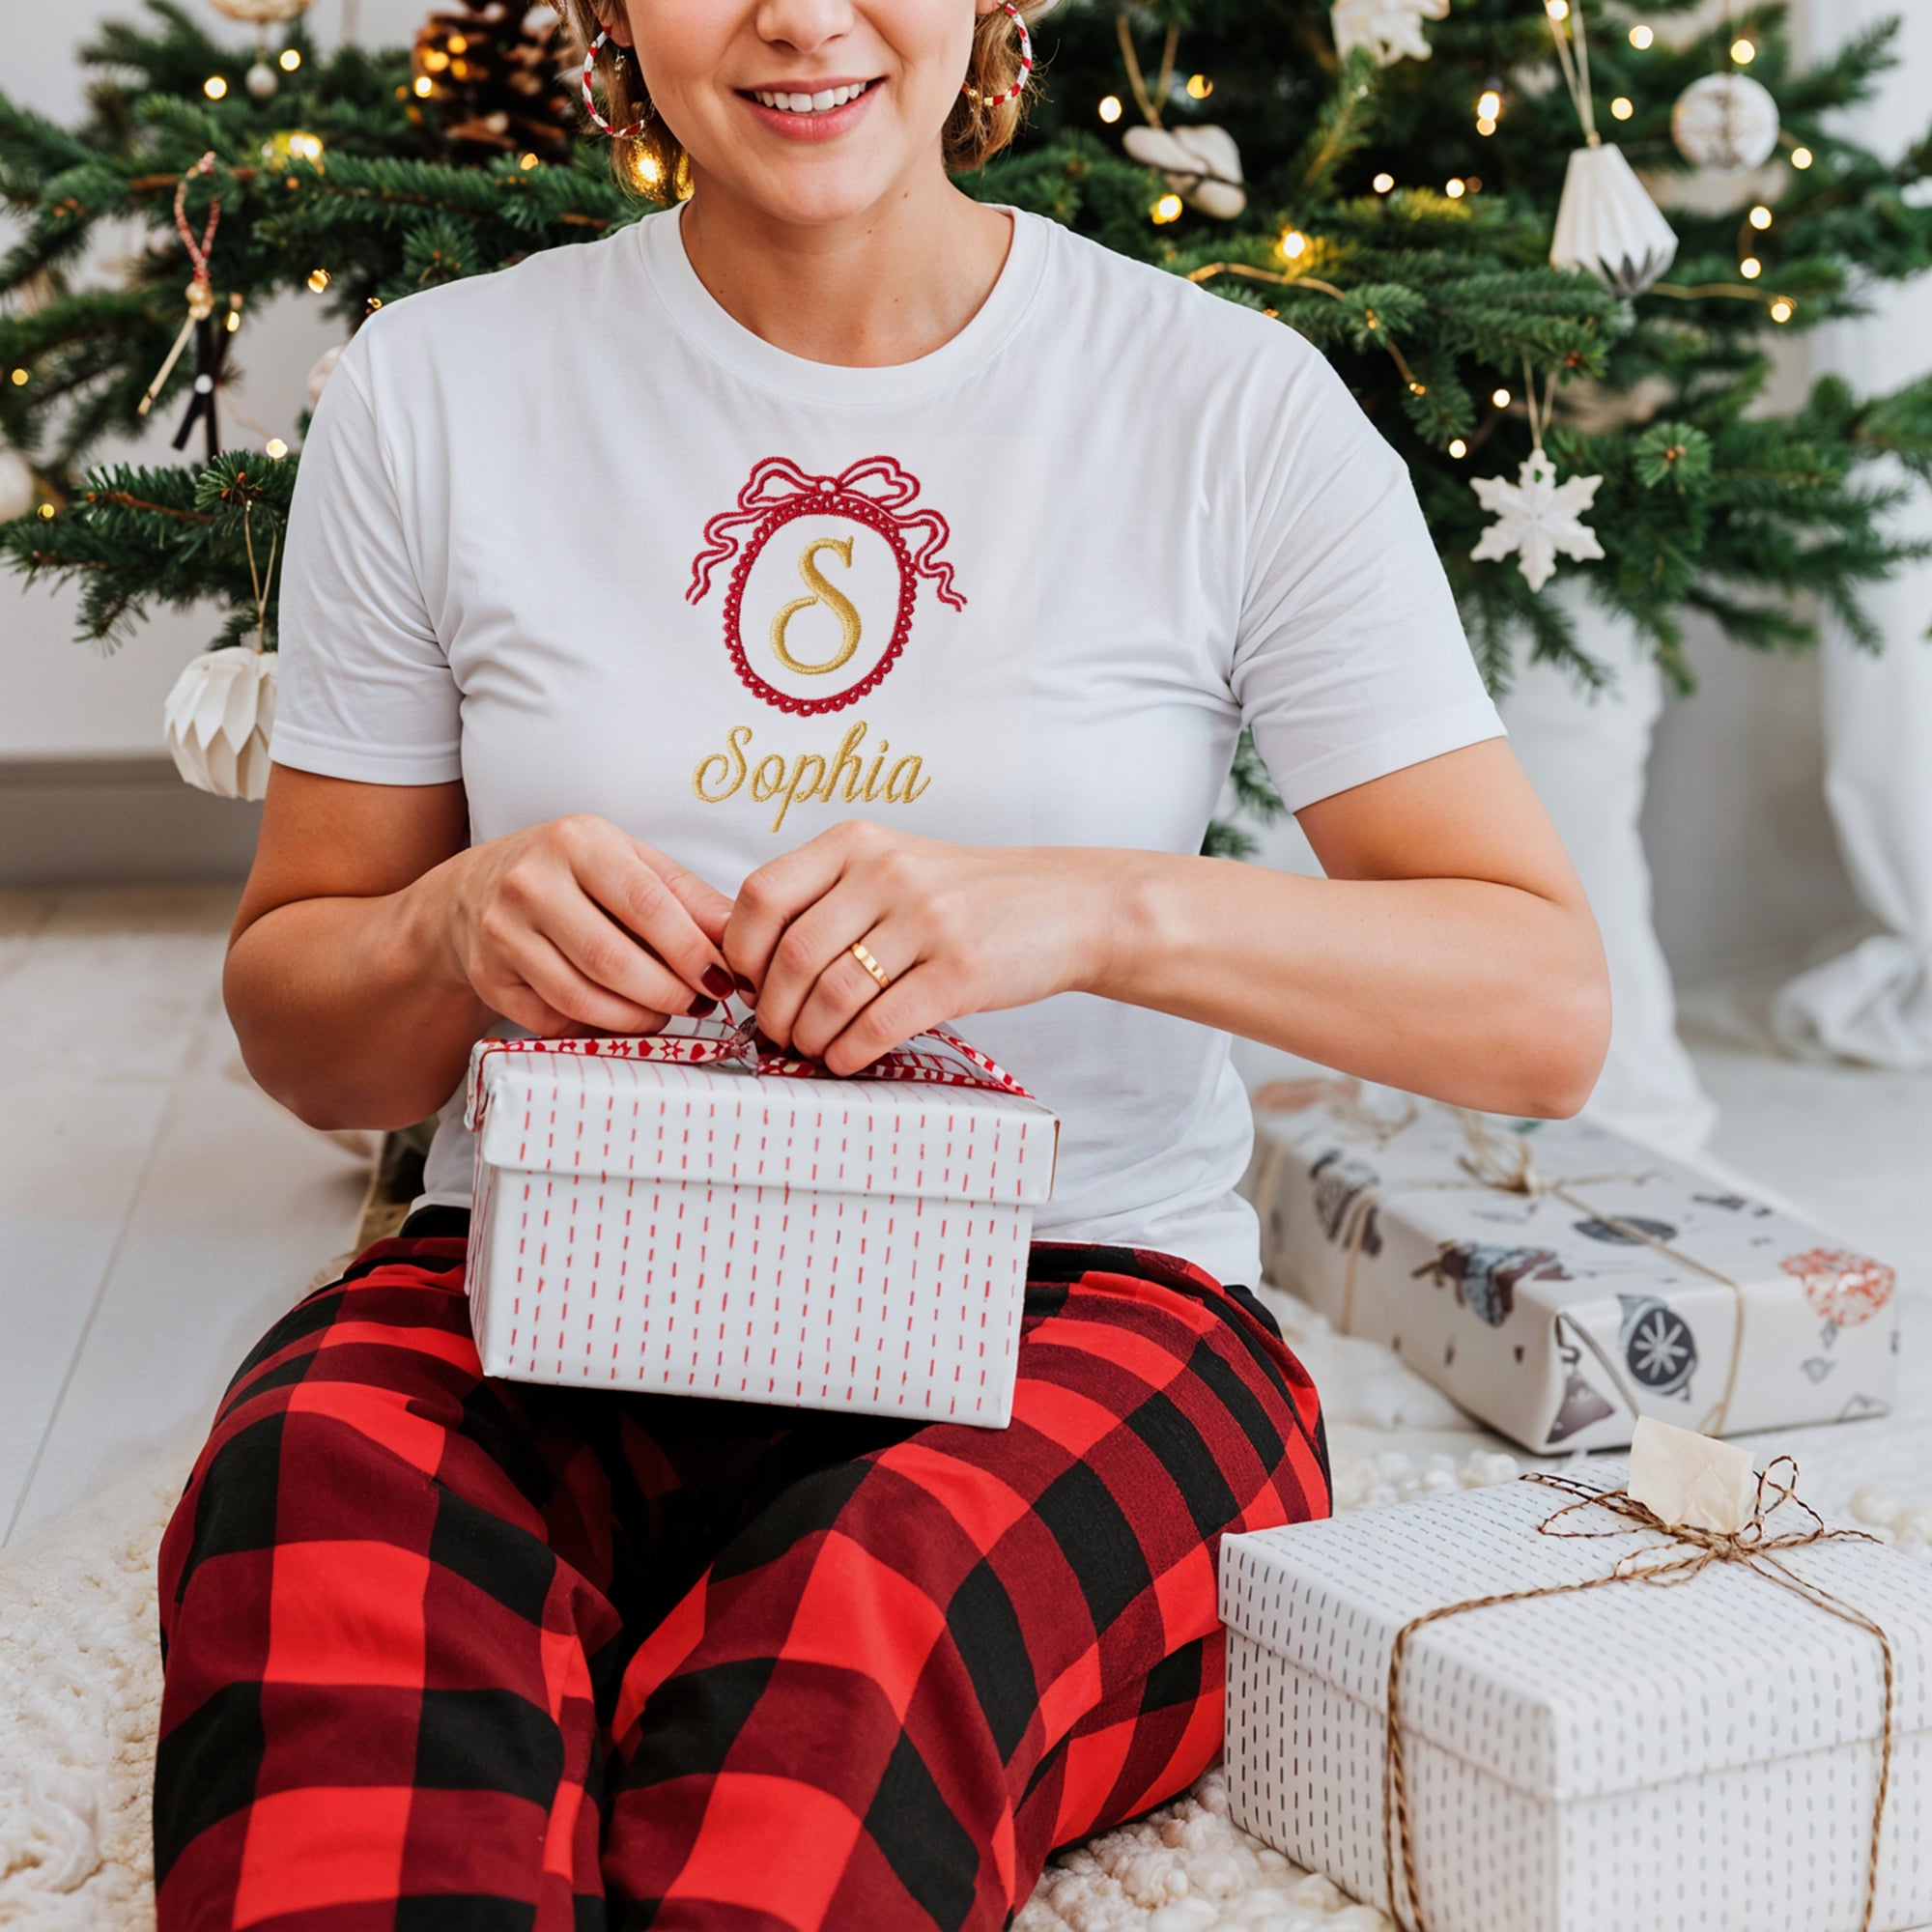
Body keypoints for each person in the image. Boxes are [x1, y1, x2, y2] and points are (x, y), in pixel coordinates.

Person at [152, 1, 1611, 1924]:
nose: (799, 16)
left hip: (1082, 1302)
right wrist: (441, 927)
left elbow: (1537, 1007)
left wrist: (1092, 908)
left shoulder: (1221, 405)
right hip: (555, 1267)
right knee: (318, 1499)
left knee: (870, 1637)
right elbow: (309, 1030)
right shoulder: (439, 389)